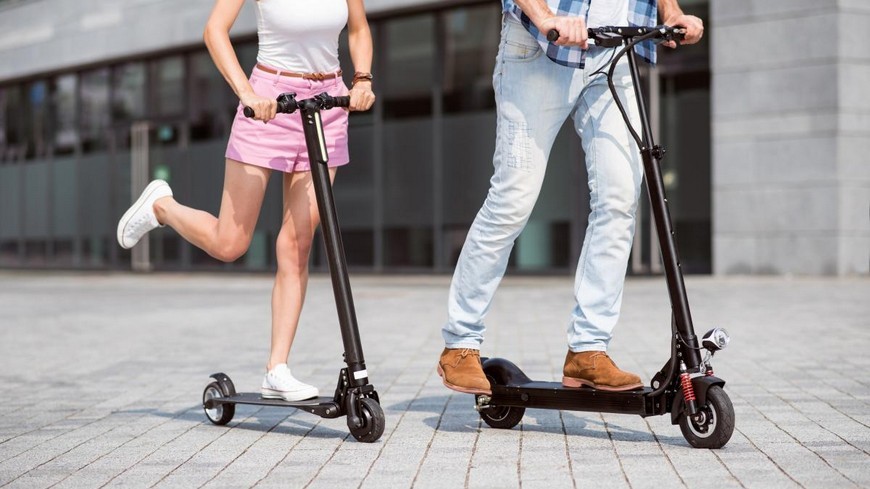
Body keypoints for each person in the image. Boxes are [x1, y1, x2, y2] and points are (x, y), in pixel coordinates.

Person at [437, 0, 703, 394]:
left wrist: (672, 12)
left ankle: (588, 350)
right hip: (540, 48)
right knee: (514, 199)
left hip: (613, 51)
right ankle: (460, 343)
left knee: (619, 198)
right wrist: (545, 18)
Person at [116, 0, 375, 402]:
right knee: (230, 243)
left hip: (326, 105)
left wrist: (362, 78)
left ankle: (278, 369)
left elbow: (358, 29)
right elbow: (214, 31)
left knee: (298, 244)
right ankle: (161, 207)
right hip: (267, 102)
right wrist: (248, 93)